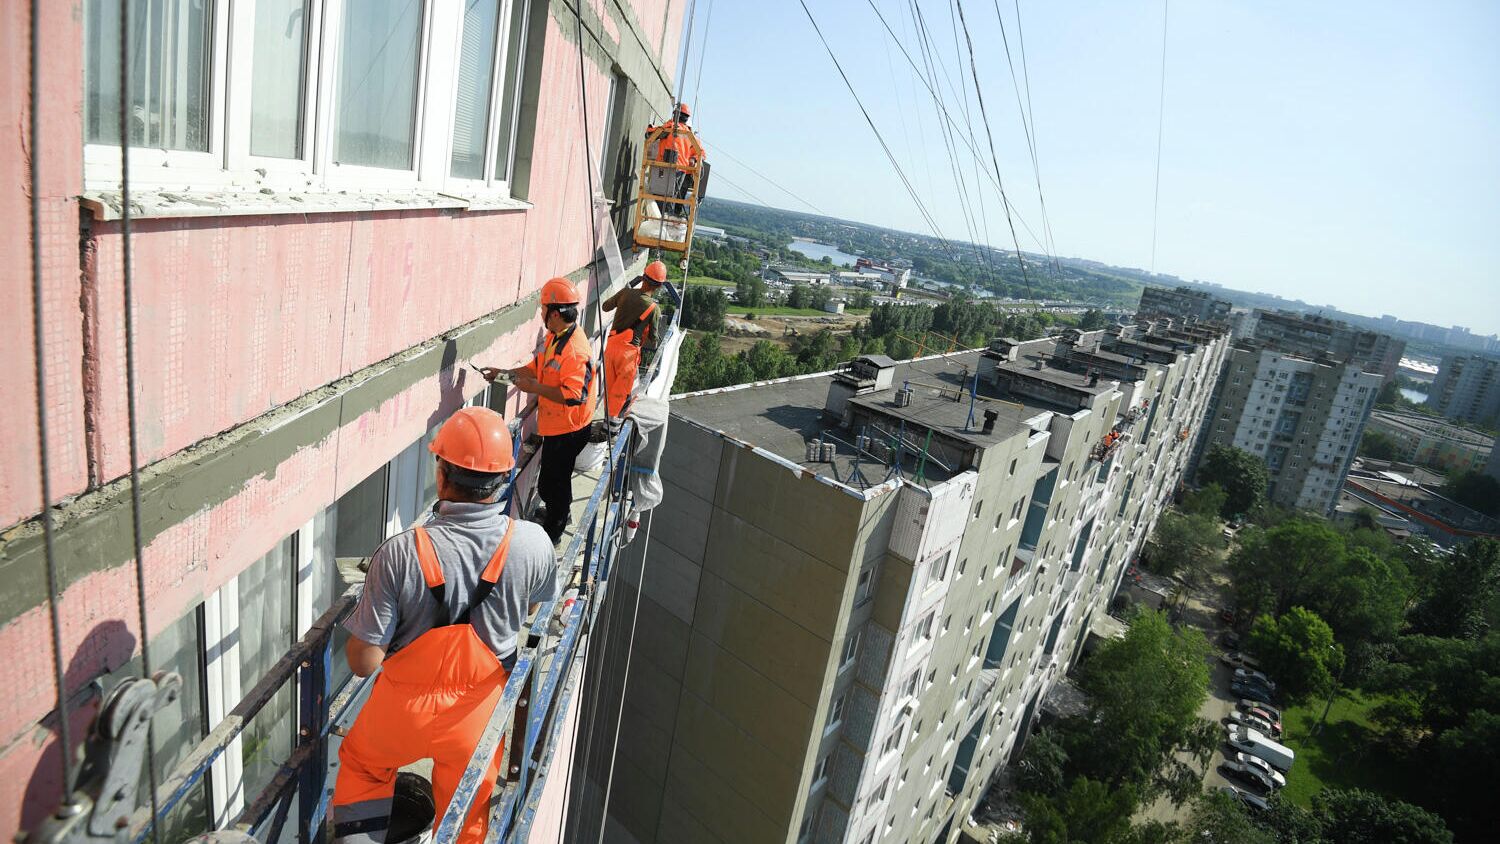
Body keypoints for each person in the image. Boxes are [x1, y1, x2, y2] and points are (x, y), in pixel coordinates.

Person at [332, 407, 558, 844]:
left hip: (401, 712)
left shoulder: (398, 553)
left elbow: (363, 663)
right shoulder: (532, 543)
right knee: (468, 809)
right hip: (477, 714)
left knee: (363, 766)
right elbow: (529, 613)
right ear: (504, 477)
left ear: (442, 474)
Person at [483, 277, 597, 544]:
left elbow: (574, 396)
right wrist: (506, 374)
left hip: (570, 429)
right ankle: (560, 512)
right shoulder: (556, 336)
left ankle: (553, 533)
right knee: (555, 481)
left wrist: (535, 387)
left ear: (555, 313)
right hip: (558, 426)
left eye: (543, 309)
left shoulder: (575, 351)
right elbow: (537, 366)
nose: (541, 314)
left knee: (551, 484)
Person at [600, 260, 679, 424]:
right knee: (621, 393)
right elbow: (654, 339)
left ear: (643, 277)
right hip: (628, 354)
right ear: (658, 286)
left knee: (609, 387)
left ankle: (607, 421)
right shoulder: (653, 308)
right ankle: (611, 428)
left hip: (611, 347)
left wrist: (623, 301)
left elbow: (606, 307)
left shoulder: (625, 293)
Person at [645, 103, 701, 216]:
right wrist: (694, 159)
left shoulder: (671, 127)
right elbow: (700, 152)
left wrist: (650, 128)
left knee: (661, 195)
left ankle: (661, 220)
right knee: (672, 197)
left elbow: (651, 134)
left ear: (676, 115)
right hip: (682, 171)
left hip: (666, 168)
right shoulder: (689, 134)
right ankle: (667, 219)